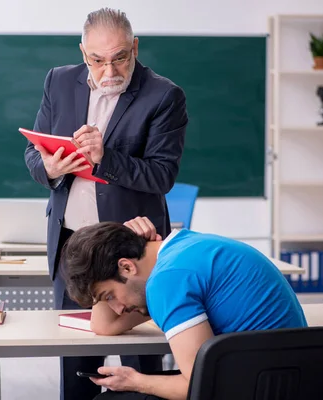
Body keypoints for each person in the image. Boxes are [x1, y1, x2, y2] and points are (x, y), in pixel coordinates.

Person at [24, 7, 188, 400]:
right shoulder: (58, 82)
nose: (108, 70)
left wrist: (106, 157)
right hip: (73, 247)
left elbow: (162, 176)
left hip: (134, 249)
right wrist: (49, 167)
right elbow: (33, 156)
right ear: (83, 53)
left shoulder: (164, 95)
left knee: (144, 358)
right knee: (77, 363)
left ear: (135, 47)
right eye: (97, 60)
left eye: (119, 58)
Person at [60, 216, 308, 400]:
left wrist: (136, 380)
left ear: (126, 267)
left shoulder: (167, 280)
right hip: (286, 379)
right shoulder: (184, 246)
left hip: (257, 386)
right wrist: (118, 240)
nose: (116, 308)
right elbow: (105, 326)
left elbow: (198, 384)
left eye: (109, 296)